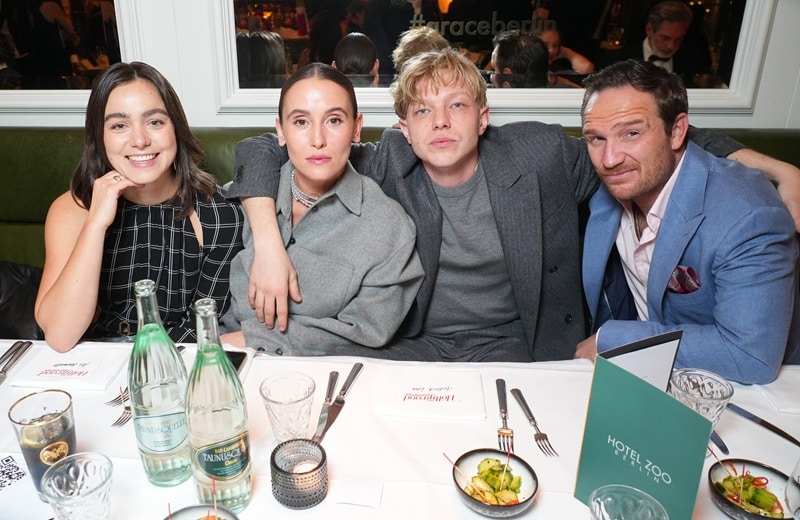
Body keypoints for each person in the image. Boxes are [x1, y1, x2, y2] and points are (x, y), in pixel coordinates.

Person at [224, 47, 799, 363]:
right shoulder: (383, 160)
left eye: (456, 106)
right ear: (402, 127)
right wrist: (269, 241)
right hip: (418, 347)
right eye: (423, 111)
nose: (441, 122)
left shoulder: (542, 154)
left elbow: (641, 143)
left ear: (484, 116)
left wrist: (775, 166)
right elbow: (263, 146)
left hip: (524, 347)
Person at [576, 59, 799, 384]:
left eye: (632, 133)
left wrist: (610, 340)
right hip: (647, 379)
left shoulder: (749, 217)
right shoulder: (610, 182)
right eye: (596, 139)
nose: (610, 159)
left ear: (677, 131)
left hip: (745, 390)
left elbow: (750, 356)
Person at [35, 61, 244, 352]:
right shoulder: (72, 209)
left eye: (155, 121)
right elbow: (60, 336)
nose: (140, 140)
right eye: (119, 125)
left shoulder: (220, 214)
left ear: (176, 129)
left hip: (176, 359)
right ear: (100, 137)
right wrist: (96, 224)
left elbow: (202, 329)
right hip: (92, 359)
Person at [221, 63, 423, 355]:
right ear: (281, 130)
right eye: (301, 122)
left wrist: (250, 340)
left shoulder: (389, 228)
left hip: (315, 369)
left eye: (334, 121)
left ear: (356, 128)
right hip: (217, 355)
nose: (317, 140)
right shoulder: (247, 197)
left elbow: (365, 332)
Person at [601, 0, 711, 77]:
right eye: (665, 38)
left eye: (678, 39)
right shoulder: (618, 61)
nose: (671, 46)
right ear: (649, 30)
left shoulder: (694, 61)